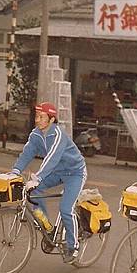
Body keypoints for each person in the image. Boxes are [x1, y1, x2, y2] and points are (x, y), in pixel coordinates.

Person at [10, 102, 87, 264]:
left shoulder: (58, 135)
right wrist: (15, 171)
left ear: (51, 119)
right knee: (34, 193)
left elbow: (52, 158)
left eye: (41, 117)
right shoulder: (36, 135)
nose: (37, 120)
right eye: (36, 116)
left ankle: (73, 246)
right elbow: (27, 153)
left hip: (75, 173)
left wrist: (37, 178)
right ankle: (48, 228)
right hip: (56, 173)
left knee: (66, 208)